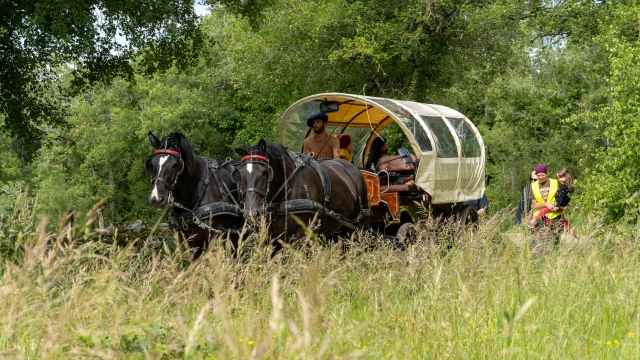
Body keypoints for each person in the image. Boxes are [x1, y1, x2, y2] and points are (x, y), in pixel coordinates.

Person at [529, 164, 566, 245]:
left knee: (555, 241)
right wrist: (546, 205)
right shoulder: (533, 186)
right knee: (543, 241)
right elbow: (534, 205)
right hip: (540, 217)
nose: (541, 177)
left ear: (547, 173)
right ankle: (543, 256)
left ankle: (554, 257)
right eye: (538, 175)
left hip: (555, 216)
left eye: (543, 175)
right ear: (536, 175)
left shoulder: (555, 182)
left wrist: (563, 205)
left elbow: (564, 195)